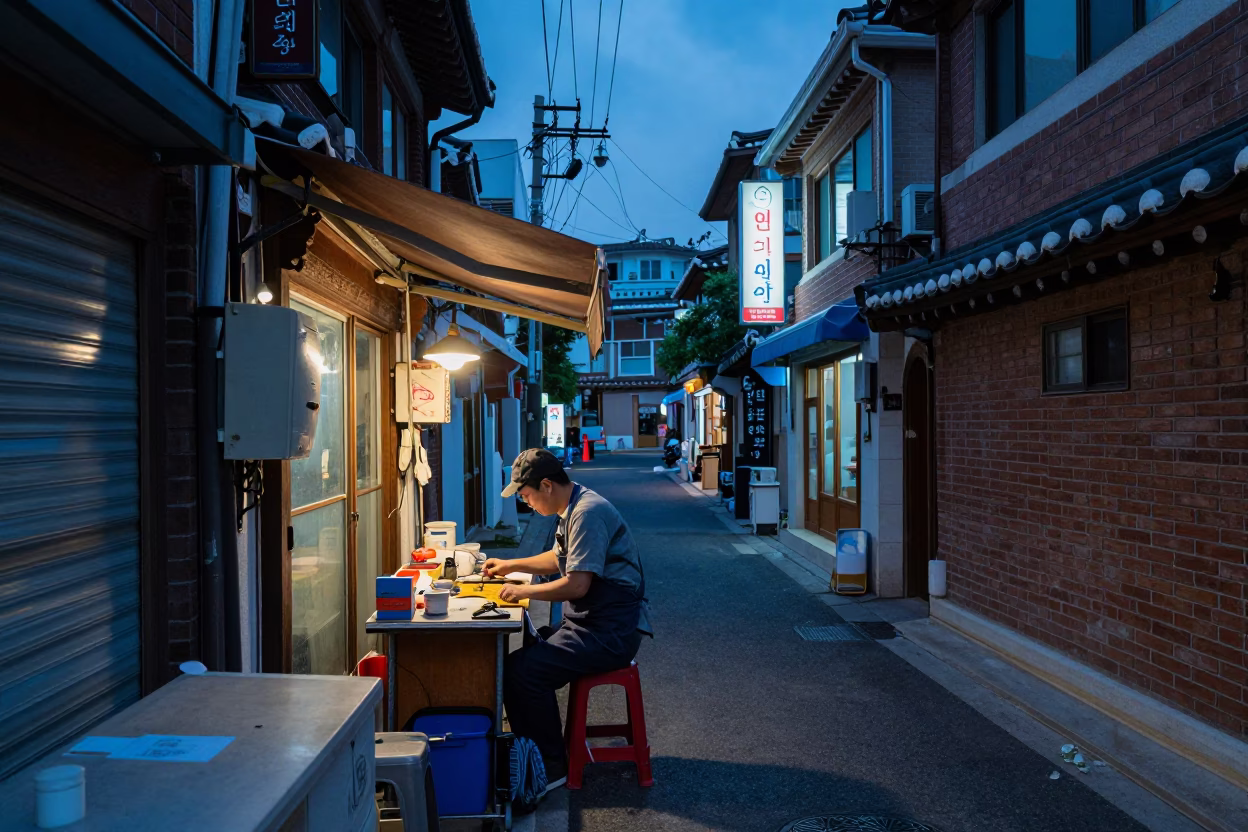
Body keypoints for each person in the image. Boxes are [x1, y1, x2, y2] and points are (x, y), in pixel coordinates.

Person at [485, 448, 652, 796]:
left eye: (526, 495)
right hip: (594, 622)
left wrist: (523, 592)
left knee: (524, 672)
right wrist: (513, 566)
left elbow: (577, 583)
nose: (526, 502)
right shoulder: (573, 505)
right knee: (524, 658)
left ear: (546, 485)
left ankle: (550, 765)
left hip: (610, 632)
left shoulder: (587, 513)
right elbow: (561, 557)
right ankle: (535, 752)